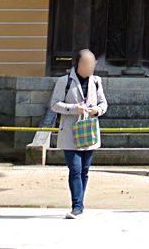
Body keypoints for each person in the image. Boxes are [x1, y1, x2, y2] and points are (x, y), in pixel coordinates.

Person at [49, 48, 107, 219]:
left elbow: (104, 103)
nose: (93, 65)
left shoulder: (96, 81)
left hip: (89, 131)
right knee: (74, 169)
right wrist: (74, 109)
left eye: (94, 62)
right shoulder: (64, 82)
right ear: (80, 64)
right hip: (70, 132)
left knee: (84, 170)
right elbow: (54, 105)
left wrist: (97, 110)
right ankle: (77, 206)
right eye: (90, 62)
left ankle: (79, 204)